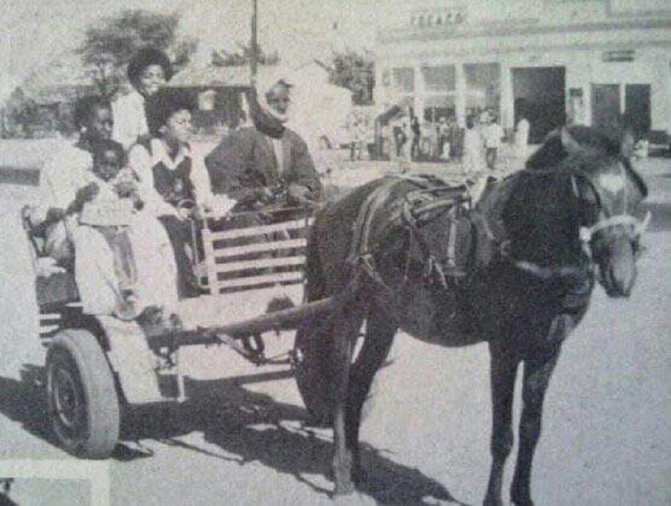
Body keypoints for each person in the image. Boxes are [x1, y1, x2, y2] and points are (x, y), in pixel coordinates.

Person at [129, 90, 231, 298]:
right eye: (181, 122)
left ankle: (221, 285)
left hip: (187, 215)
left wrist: (205, 206)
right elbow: (147, 197)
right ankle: (183, 292)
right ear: (162, 126)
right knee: (172, 230)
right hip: (154, 218)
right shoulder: (143, 152)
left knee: (221, 225)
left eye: (189, 121)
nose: (189, 127)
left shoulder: (190, 151)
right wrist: (178, 211)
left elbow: (202, 187)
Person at [205, 76, 322, 216]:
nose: (282, 106)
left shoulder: (294, 140)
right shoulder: (242, 138)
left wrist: (300, 188)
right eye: (275, 101)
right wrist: (254, 194)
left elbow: (309, 177)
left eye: (285, 100)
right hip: (248, 214)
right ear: (261, 103)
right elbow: (220, 176)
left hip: (286, 211)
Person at [33, 96, 114, 266]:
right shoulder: (61, 160)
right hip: (67, 231)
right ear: (83, 124)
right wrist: (77, 202)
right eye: (103, 123)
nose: (108, 129)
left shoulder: (113, 156)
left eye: (111, 124)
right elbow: (50, 213)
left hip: (108, 223)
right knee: (91, 239)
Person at [112, 47, 172, 151]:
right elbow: (131, 137)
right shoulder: (130, 100)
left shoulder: (153, 100)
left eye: (160, 76)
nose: (155, 81)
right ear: (136, 79)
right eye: (148, 76)